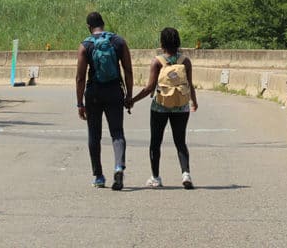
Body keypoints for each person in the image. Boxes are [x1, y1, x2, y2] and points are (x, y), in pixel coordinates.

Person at [132, 27, 198, 189]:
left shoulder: (157, 62)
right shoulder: (185, 61)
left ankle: (155, 178)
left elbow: (149, 88)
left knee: (156, 142)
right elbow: (190, 85)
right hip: (181, 106)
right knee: (180, 141)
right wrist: (193, 102)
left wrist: (132, 100)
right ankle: (186, 174)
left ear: (162, 43)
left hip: (160, 106)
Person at [75, 11, 133, 190]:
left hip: (93, 93)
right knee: (117, 132)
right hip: (114, 91)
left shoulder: (85, 45)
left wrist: (79, 103)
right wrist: (129, 95)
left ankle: (99, 176)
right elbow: (128, 71)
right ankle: (118, 166)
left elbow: (80, 77)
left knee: (94, 135)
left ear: (88, 26)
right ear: (103, 24)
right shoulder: (119, 42)